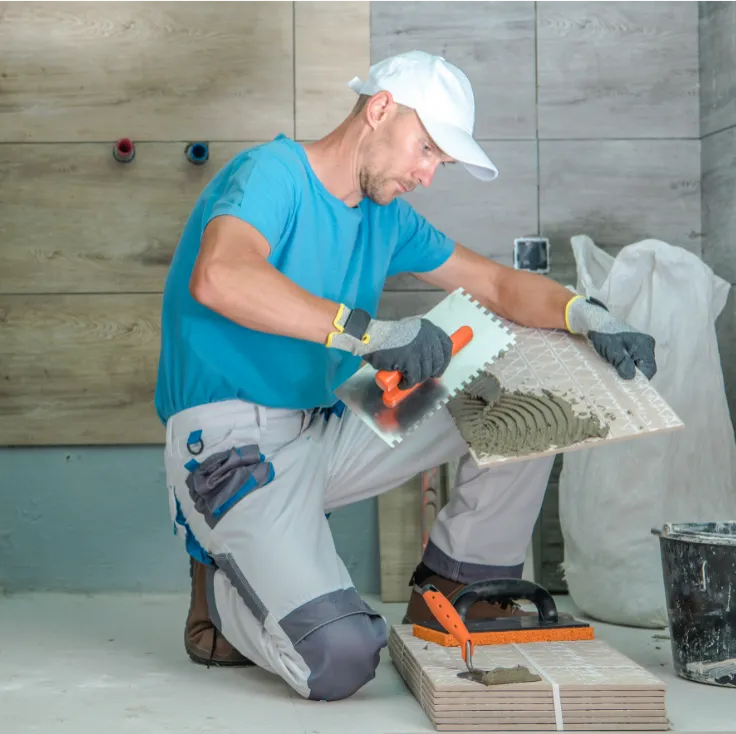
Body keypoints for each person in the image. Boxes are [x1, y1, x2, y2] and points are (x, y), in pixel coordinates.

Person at [154, 50, 657, 701]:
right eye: (426, 149)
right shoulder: (270, 174)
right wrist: (374, 334)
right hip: (231, 450)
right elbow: (221, 276)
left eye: (439, 162)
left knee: (518, 356)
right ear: (380, 108)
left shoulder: (385, 215)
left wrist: (582, 314)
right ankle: (220, 595)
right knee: (340, 658)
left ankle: (455, 584)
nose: (427, 173)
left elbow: (497, 284)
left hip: (325, 428)